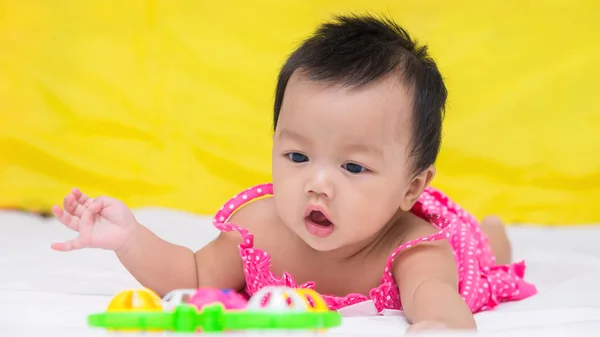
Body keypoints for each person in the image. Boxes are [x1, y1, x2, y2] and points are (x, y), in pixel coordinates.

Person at [50, 14, 537, 333]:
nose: (317, 183)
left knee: (488, 246)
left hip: (462, 249)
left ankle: (493, 231)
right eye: (297, 157)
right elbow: (193, 275)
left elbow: (437, 307)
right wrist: (130, 239)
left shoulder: (415, 248)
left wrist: (434, 326)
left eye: (352, 166)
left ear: (411, 187)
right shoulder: (261, 228)